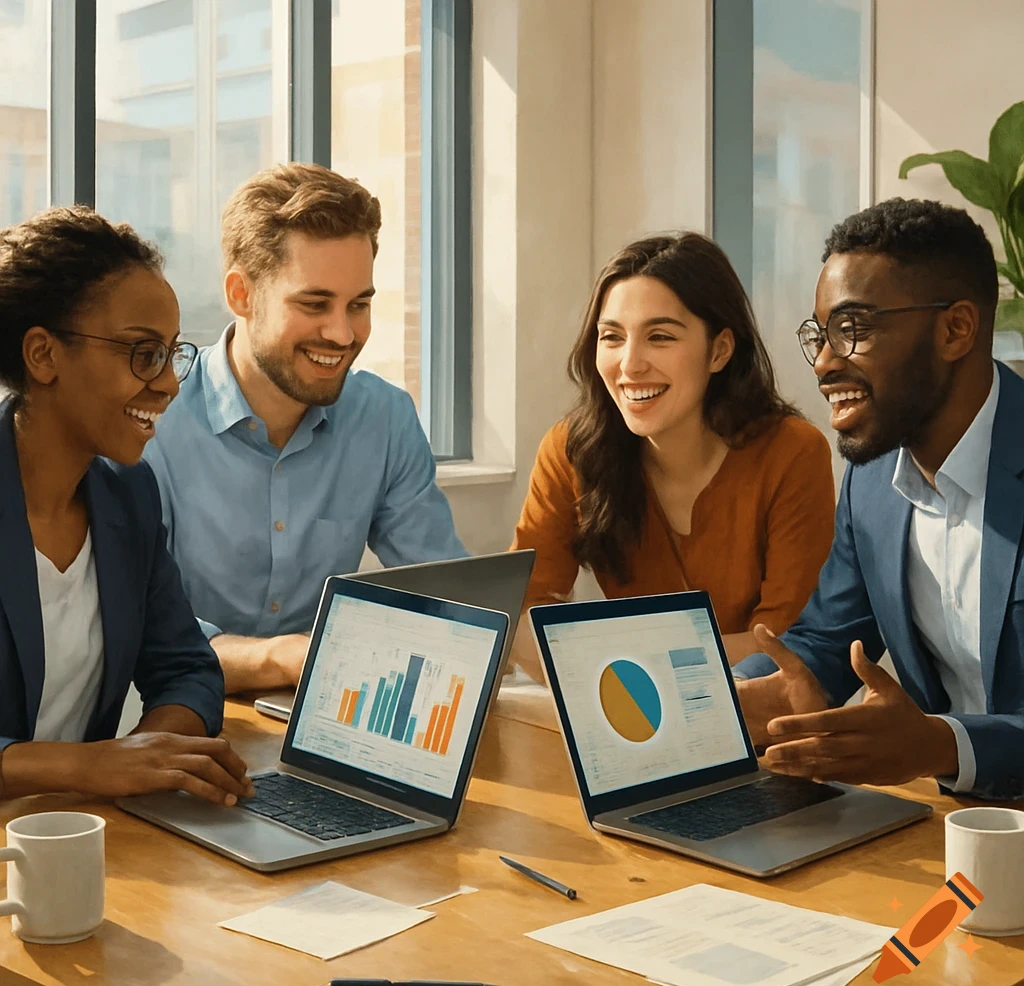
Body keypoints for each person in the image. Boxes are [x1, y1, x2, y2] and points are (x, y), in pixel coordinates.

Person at [734, 197, 1024, 801]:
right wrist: (747, 694)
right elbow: (828, 641)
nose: (822, 364)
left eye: (853, 330)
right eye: (819, 335)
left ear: (956, 329)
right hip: (955, 831)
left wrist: (941, 744)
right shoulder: (872, 486)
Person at [144, 163, 466, 696]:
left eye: (358, 305)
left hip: (321, 717)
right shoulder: (154, 420)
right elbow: (146, 635)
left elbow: (449, 593)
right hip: (172, 722)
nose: (342, 334)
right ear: (241, 294)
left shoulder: (384, 419)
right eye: (314, 304)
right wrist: (281, 658)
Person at [0, 206, 251, 807]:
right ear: (43, 355)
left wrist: (149, 756)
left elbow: (189, 671)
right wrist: (90, 768)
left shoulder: (127, 497)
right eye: (142, 353)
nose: (166, 383)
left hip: (78, 837)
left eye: (171, 353)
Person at [510, 232, 836, 680]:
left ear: (719, 350)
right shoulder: (570, 450)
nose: (630, 365)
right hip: (628, 714)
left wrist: (619, 663)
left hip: (764, 723)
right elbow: (522, 611)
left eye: (659, 337)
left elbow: (783, 643)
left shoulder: (792, 452)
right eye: (612, 337)